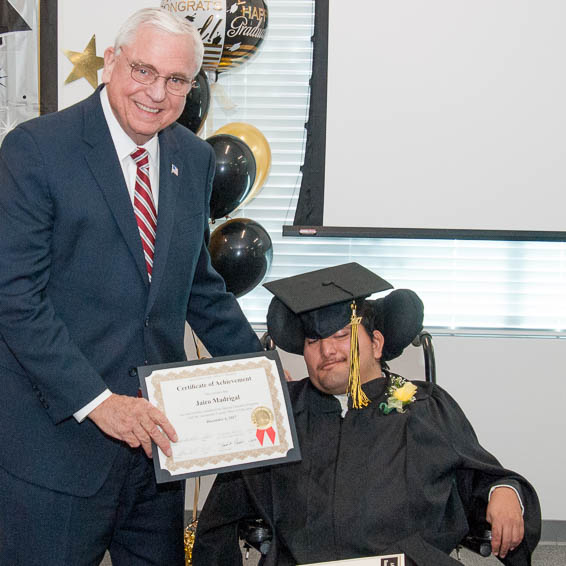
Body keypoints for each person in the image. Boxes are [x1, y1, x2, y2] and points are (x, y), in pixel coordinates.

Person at [0, 7, 262, 565]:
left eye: (175, 80)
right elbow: (15, 299)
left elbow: (199, 288)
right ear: (111, 63)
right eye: (143, 70)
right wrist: (99, 404)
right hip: (57, 450)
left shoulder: (192, 159)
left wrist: (263, 376)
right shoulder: (36, 150)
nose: (157, 93)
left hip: (155, 455)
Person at [193, 263, 541, 566]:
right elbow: (221, 516)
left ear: (375, 343)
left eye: (342, 334)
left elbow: (479, 478)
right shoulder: (280, 413)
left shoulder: (423, 406)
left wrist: (505, 491)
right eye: (313, 342)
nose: (326, 350)